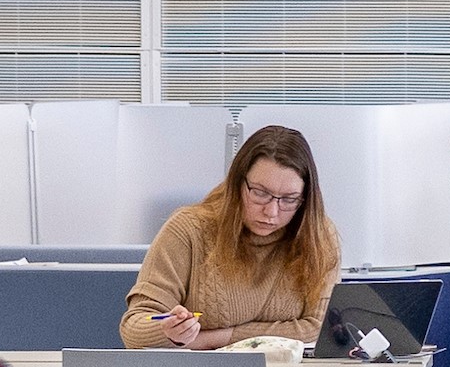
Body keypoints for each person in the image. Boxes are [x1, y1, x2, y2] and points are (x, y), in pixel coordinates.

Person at [122, 125, 343, 350]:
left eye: (289, 199)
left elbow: (320, 327)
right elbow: (134, 328)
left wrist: (215, 338)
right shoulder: (188, 230)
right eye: (260, 193)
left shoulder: (319, 236)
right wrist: (167, 331)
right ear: (237, 184)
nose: (272, 212)